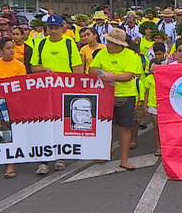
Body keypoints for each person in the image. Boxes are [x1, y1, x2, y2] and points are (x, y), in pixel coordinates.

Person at [30, 14, 83, 175]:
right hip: (45, 92)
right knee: (44, 124)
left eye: (56, 28)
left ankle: (60, 156)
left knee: (61, 124)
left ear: (62, 29)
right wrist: (45, 70)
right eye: (50, 28)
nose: (53, 31)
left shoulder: (69, 43)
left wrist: (78, 89)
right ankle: (44, 160)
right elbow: (33, 67)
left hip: (64, 91)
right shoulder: (40, 44)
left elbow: (77, 68)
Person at [90, 28, 143, 170]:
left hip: (125, 95)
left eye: (110, 42)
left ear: (119, 44)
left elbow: (129, 75)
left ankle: (124, 159)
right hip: (105, 94)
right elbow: (92, 69)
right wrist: (105, 73)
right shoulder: (102, 53)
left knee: (124, 128)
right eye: (107, 41)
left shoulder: (130, 55)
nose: (107, 44)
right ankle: (106, 150)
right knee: (105, 125)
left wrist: (113, 77)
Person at [0, 36, 27, 178]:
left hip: (15, 104)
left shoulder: (19, 66)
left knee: (15, 134)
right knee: (4, 134)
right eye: (8, 48)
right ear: (0, 50)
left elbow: (23, 88)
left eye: (13, 48)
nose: (12, 51)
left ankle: (12, 164)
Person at [142, 58, 164, 156]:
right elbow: (146, 93)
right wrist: (145, 106)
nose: (153, 67)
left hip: (163, 105)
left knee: (164, 127)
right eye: (152, 65)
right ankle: (158, 147)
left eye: (155, 65)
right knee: (156, 126)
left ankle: (165, 145)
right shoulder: (148, 79)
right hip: (152, 105)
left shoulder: (164, 78)